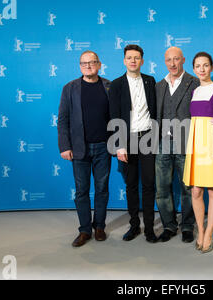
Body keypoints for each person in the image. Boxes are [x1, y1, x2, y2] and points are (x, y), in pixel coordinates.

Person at [57, 50, 111, 247]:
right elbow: (62, 119)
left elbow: (117, 116)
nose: (88, 66)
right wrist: (65, 146)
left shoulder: (109, 86)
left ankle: (99, 227)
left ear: (99, 64)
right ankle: (85, 230)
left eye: (92, 62)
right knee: (81, 191)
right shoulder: (69, 88)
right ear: (80, 66)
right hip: (79, 148)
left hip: (104, 147)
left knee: (102, 189)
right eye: (84, 63)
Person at [109, 44, 158, 243]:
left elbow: (155, 110)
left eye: (136, 57)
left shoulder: (150, 81)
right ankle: (134, 226)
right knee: (131, 185)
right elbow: (113, 116)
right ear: (124, 60)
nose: (133, 61)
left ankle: (149, 229)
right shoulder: (116, 84)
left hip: (148, 138)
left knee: (148, 184)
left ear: (142, 61)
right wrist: (119, 145)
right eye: (129, 57)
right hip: (126, 141)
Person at [183, 52, 213, 253]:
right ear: (194, 69)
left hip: (212, 142)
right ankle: (200, 230)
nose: (201, 69)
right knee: (196, 190)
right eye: (198, 66)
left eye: (205, 65)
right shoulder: (194, 91)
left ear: (211, 67)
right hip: (195, 144)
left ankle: (209, 232)